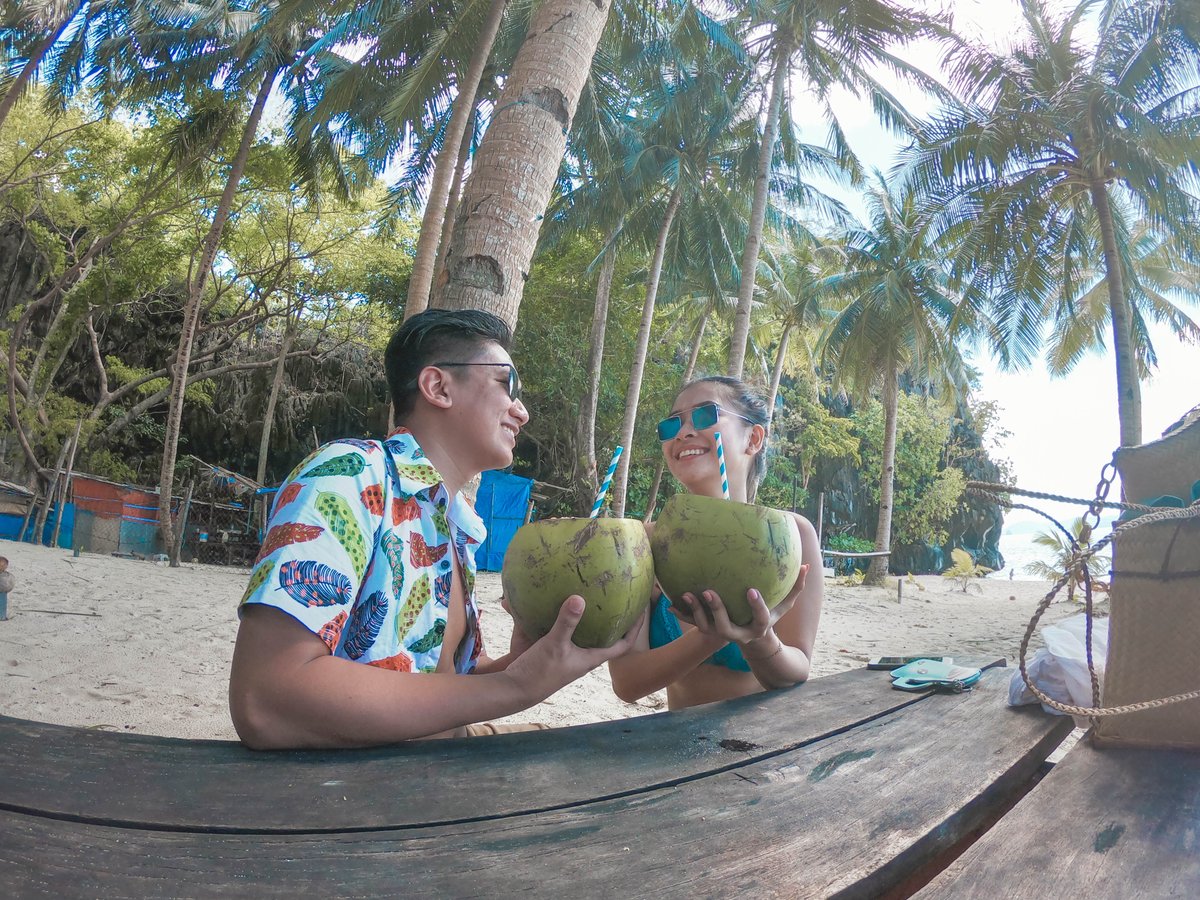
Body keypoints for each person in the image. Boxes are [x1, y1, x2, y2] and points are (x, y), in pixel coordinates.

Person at [229, 309, 641, 748]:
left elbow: (436, 679)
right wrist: (513, 689)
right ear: (438, 387)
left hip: (444, 751)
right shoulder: (350, 474)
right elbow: (266, 700)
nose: (522, 411)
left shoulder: (453, 526)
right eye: (508, 385)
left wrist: (516, 667)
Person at [608, 376, 823, 710]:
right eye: (672, 424)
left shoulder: (792, 536)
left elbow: (794, 674)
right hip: (674, 751)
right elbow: (627, 682)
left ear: (753, 438)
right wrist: (712, 636)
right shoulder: (646, 542)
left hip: (767, 749)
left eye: (705, 415)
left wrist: (758, 637)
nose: (683, 432)